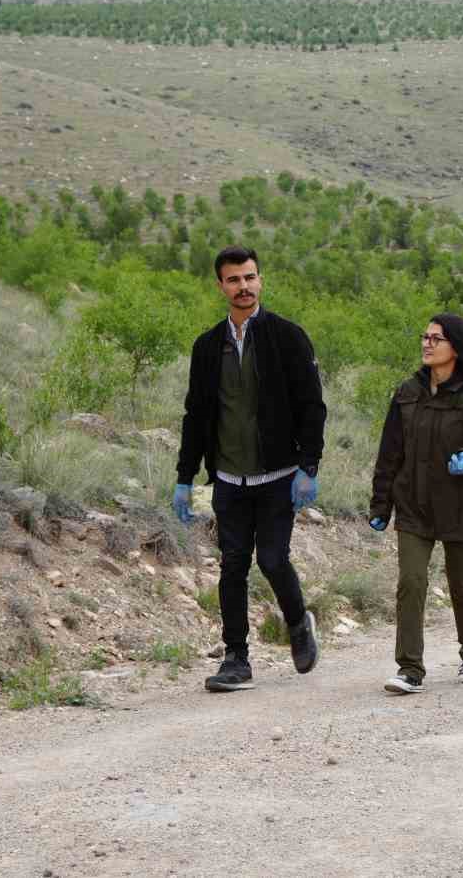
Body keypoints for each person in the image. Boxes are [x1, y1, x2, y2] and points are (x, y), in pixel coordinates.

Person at [173, 245, 326, 693]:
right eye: (234, 280)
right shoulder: (207, 347)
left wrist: (308, 466)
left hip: (278, 477)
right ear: (220, 285)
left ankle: (298, 624)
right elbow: (196, 415)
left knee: (273, 559)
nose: (244, 287)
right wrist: (186, 477)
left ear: (260, 280)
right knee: (232, 566)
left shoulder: (287, 337)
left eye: (250, 277)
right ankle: (236, 659)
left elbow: (312, 406)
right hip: (228, 479)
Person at [370, 315, 463, 695]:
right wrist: (380, 505)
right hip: (412, 505)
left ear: (456, 347)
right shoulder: (407, 392)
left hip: (459, 505)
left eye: (436, 338)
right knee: (410, 582)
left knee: (461, 584)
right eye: (424, 336)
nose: (427, 343)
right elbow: (389, 453)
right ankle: (410, 668)